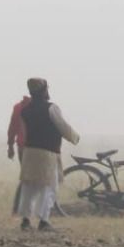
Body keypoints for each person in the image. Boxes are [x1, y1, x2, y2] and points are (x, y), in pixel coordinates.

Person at [18, 78, 80, 231]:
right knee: (49, 187)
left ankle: (25, 220)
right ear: (44, 90)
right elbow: (62, 127)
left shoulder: (25, 110)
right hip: (47, 153)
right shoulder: (51, 108)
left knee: (29, 186)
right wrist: (75, 137)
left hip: (29, 152)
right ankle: (44, 221)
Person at [7, 91, 31, 216]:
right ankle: (18, 208)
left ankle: (19, 208)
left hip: (21, 146)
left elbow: (12, 127)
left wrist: (10, 145)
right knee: (29, 178)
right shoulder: (36, 107)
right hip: (32, 147)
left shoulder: (18, 107)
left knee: (26, 177)